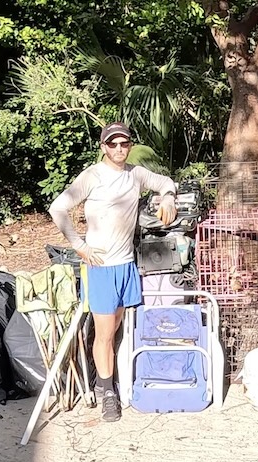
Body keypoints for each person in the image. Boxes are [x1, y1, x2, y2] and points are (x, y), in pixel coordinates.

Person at [49, 122, 177, 421]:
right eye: (113, 144)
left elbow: (165, 182)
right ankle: (108, 391)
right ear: (103, 146)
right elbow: (58, 208)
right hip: (102, 267)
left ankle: (104, 378)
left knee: (117, 327)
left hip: (126, 264)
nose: (119, 149)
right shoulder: (92, 176)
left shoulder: (135, 173)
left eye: (124, 143)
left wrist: (168, 197)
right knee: (105, 333)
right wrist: (79, 245)